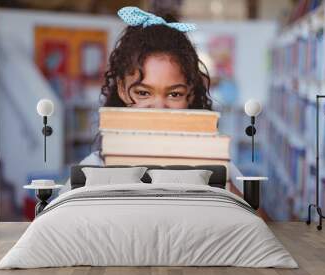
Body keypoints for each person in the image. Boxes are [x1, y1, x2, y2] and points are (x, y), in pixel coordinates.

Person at [60, 7, 241, 193]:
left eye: (174, 94)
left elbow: (256, 218)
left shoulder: (217, 165)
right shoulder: (95, 167)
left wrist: (221, 180)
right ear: (122, 90)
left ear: (191, 94)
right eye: (143, 93)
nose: (159, 108)